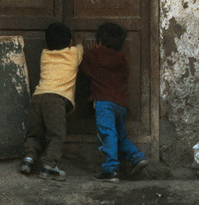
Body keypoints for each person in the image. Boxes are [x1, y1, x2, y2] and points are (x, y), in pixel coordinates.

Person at [80, 22, 148, 182]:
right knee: (120, 136)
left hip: (104, 103)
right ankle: (137, 157)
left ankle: (110, 169)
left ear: (99, 41)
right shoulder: (121, 59)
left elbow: (84, 69)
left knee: (107, 133)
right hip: (121, 104)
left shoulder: (93, 55)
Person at [19, 22, 82, 181]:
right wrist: (80, 43)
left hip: (38, 97)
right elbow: (81, 49)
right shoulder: (74, 54)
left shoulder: (44, 55)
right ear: (70, 43)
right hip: (56, 100)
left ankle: (28, 159)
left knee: (34, 133)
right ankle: (49, 165)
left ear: (47, 44)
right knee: (56, 135)